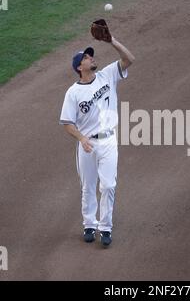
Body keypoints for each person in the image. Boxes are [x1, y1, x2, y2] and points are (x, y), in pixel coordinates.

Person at [59, 37, 135, 247]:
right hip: (87, 144)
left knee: (108, 185)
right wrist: (81, 138)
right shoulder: (73, 92)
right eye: (86, 57)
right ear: (79, 67)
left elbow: (129, 59)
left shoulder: (107, 75)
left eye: (90, 55)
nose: (91, 57)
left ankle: (106, 227)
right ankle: (89, 225)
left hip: (108, 140)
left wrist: (112, 41)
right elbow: (67, 123)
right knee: (88, 187)